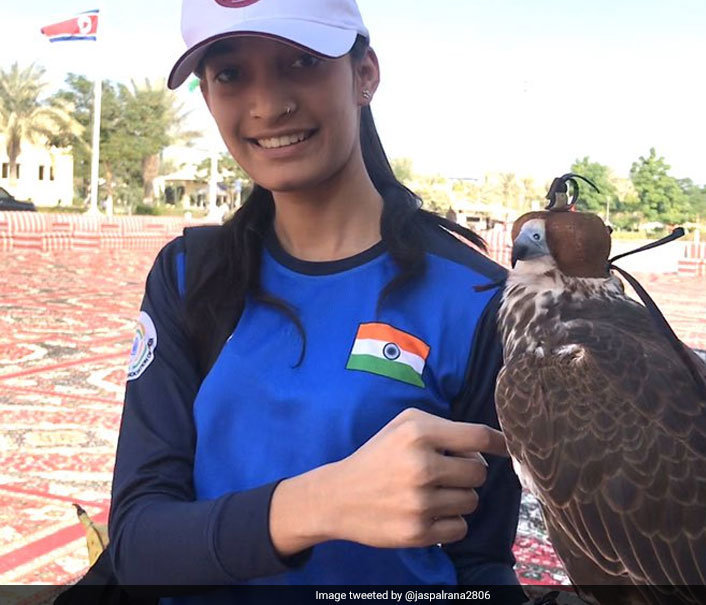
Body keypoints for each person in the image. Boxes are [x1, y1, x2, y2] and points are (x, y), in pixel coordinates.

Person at [107, 0, 523, 595]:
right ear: (208, 96)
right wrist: (322, 503)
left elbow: (479, 561)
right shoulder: (188, 276)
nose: (267, 105)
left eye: (300, 61)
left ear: (364, 74)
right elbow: (138, 542)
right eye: (230, 74)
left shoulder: (478, 300)